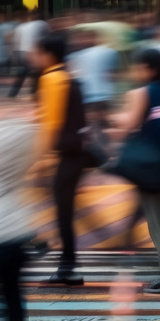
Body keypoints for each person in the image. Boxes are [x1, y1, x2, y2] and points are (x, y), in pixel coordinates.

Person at [110, 49, 160, 294]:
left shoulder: (143, 93)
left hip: (152, 168)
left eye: (138, 67)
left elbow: (128, 124)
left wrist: (112, 120)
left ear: (149, 68)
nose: (135, 72)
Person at [34, 34, 89, 286]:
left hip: (63, 157)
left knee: (63, 214)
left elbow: (51, 123)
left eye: (37, 52)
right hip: (75, 155)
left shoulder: (50, 78)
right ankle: (67, 266)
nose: (33, 57)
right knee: (63, 213)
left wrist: (43, 160)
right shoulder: (69, 76)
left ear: (48, 53)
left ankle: (65, 265)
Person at [0, 115, 38, 321]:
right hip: (19, 229)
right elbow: (30, 127)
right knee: (13, 299)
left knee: (11, 299)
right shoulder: (19, 139)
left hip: (3, 232)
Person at [67, 29, 119, 130]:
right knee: (103, 123)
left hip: (88, 95)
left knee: (91, 123)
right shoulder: (109, 52)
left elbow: (72, 75)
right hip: (103, 95)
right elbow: (111, 75)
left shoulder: (73, 57)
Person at [8, 13, 48, 99]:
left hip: (20, 51)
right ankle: (34, 91)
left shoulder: (21, 26)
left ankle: (15, 92)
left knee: (25, 72)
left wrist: (14, 53)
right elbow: (42, 37)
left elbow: (16, 41)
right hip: (32, 50)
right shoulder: (41, 24)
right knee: (34, 72)